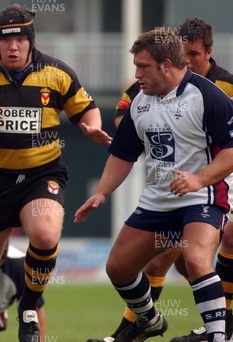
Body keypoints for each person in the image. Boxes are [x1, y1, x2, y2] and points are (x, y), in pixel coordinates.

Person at [0, 3, 112, 342]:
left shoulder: (57, 74)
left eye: (20, 39)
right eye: (5, 41)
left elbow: (87, 109)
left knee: (46, 236)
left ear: (30, 40)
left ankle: (29, 308)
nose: (13, 47)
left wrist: (92, 127)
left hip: (42, 174)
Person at [74, 28, 233, 342]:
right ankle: (148, 319)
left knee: (196, 260)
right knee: (118, 267)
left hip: (202, 195)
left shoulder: (208, 95)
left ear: (167, 65)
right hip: (158, 199)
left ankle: (219, 336)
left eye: (143, 67)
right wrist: (101, 193)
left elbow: (231, 151)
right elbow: (123, 155)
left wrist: (199, 178)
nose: (137, 74)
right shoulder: (139, 102)